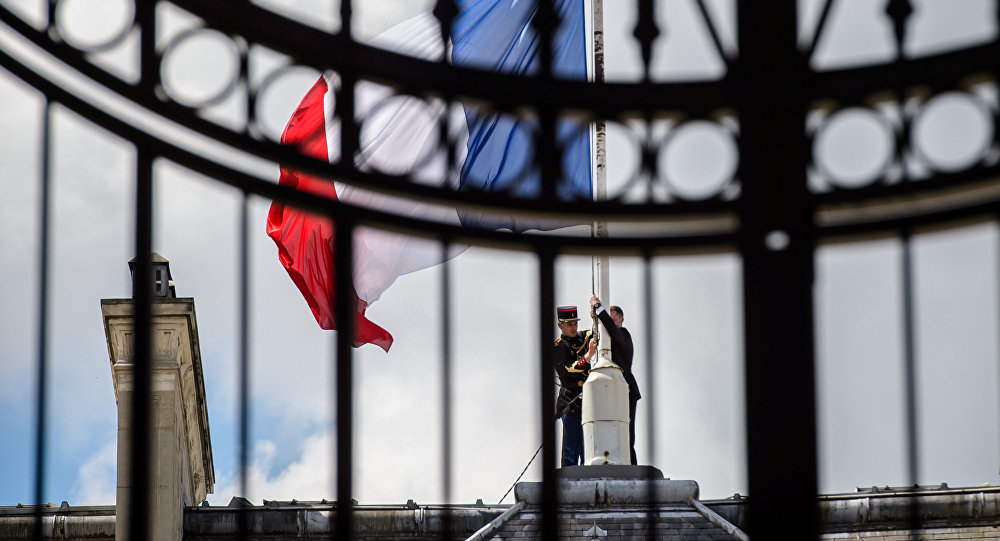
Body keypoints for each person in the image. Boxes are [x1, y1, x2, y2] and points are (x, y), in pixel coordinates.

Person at [590, 294, 641, 465]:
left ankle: (631, 465)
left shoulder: (623, 335)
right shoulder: (609, 339)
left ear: (621, 320)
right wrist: (596, 322)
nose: (609, 324)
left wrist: (598, 308)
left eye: (612, 320)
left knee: (626, 431)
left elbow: (612, 331)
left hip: (625, 387)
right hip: (611, 386)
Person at [553, 305, 597, 467]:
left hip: (588, 399)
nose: (573, 327)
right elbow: (569, 369)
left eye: (574, 323)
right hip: (571, 401)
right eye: (569, 324)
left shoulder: (582, 337)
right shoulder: (558, 346)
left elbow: (597, 334)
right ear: (560, 325)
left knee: (588, 448)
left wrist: (595, 318)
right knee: (572, 449)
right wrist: (588, 356)